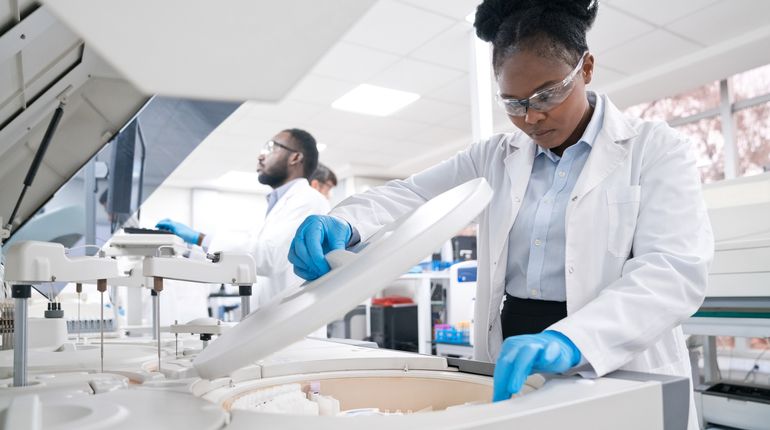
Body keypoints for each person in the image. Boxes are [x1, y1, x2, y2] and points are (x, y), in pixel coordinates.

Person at [287, 1, 713, 428]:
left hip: (613, 352)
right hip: (514, 354)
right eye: (513, 101)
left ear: (585, 68)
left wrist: (571, 338)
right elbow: (413, 194)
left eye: (547, 94)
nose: (531, 116)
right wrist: (346, 221)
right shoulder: (494, 155)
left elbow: (671, 271)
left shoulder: (654, 148)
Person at [157, 128, 330, 309]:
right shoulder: (279, 206)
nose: (260, 157)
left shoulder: (309, 200)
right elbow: (248, 255)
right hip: (274, 319)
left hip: (293, 323)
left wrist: (200, 238)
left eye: (271, 147)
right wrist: (186, 249)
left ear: (295, 158)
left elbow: (270, 257)